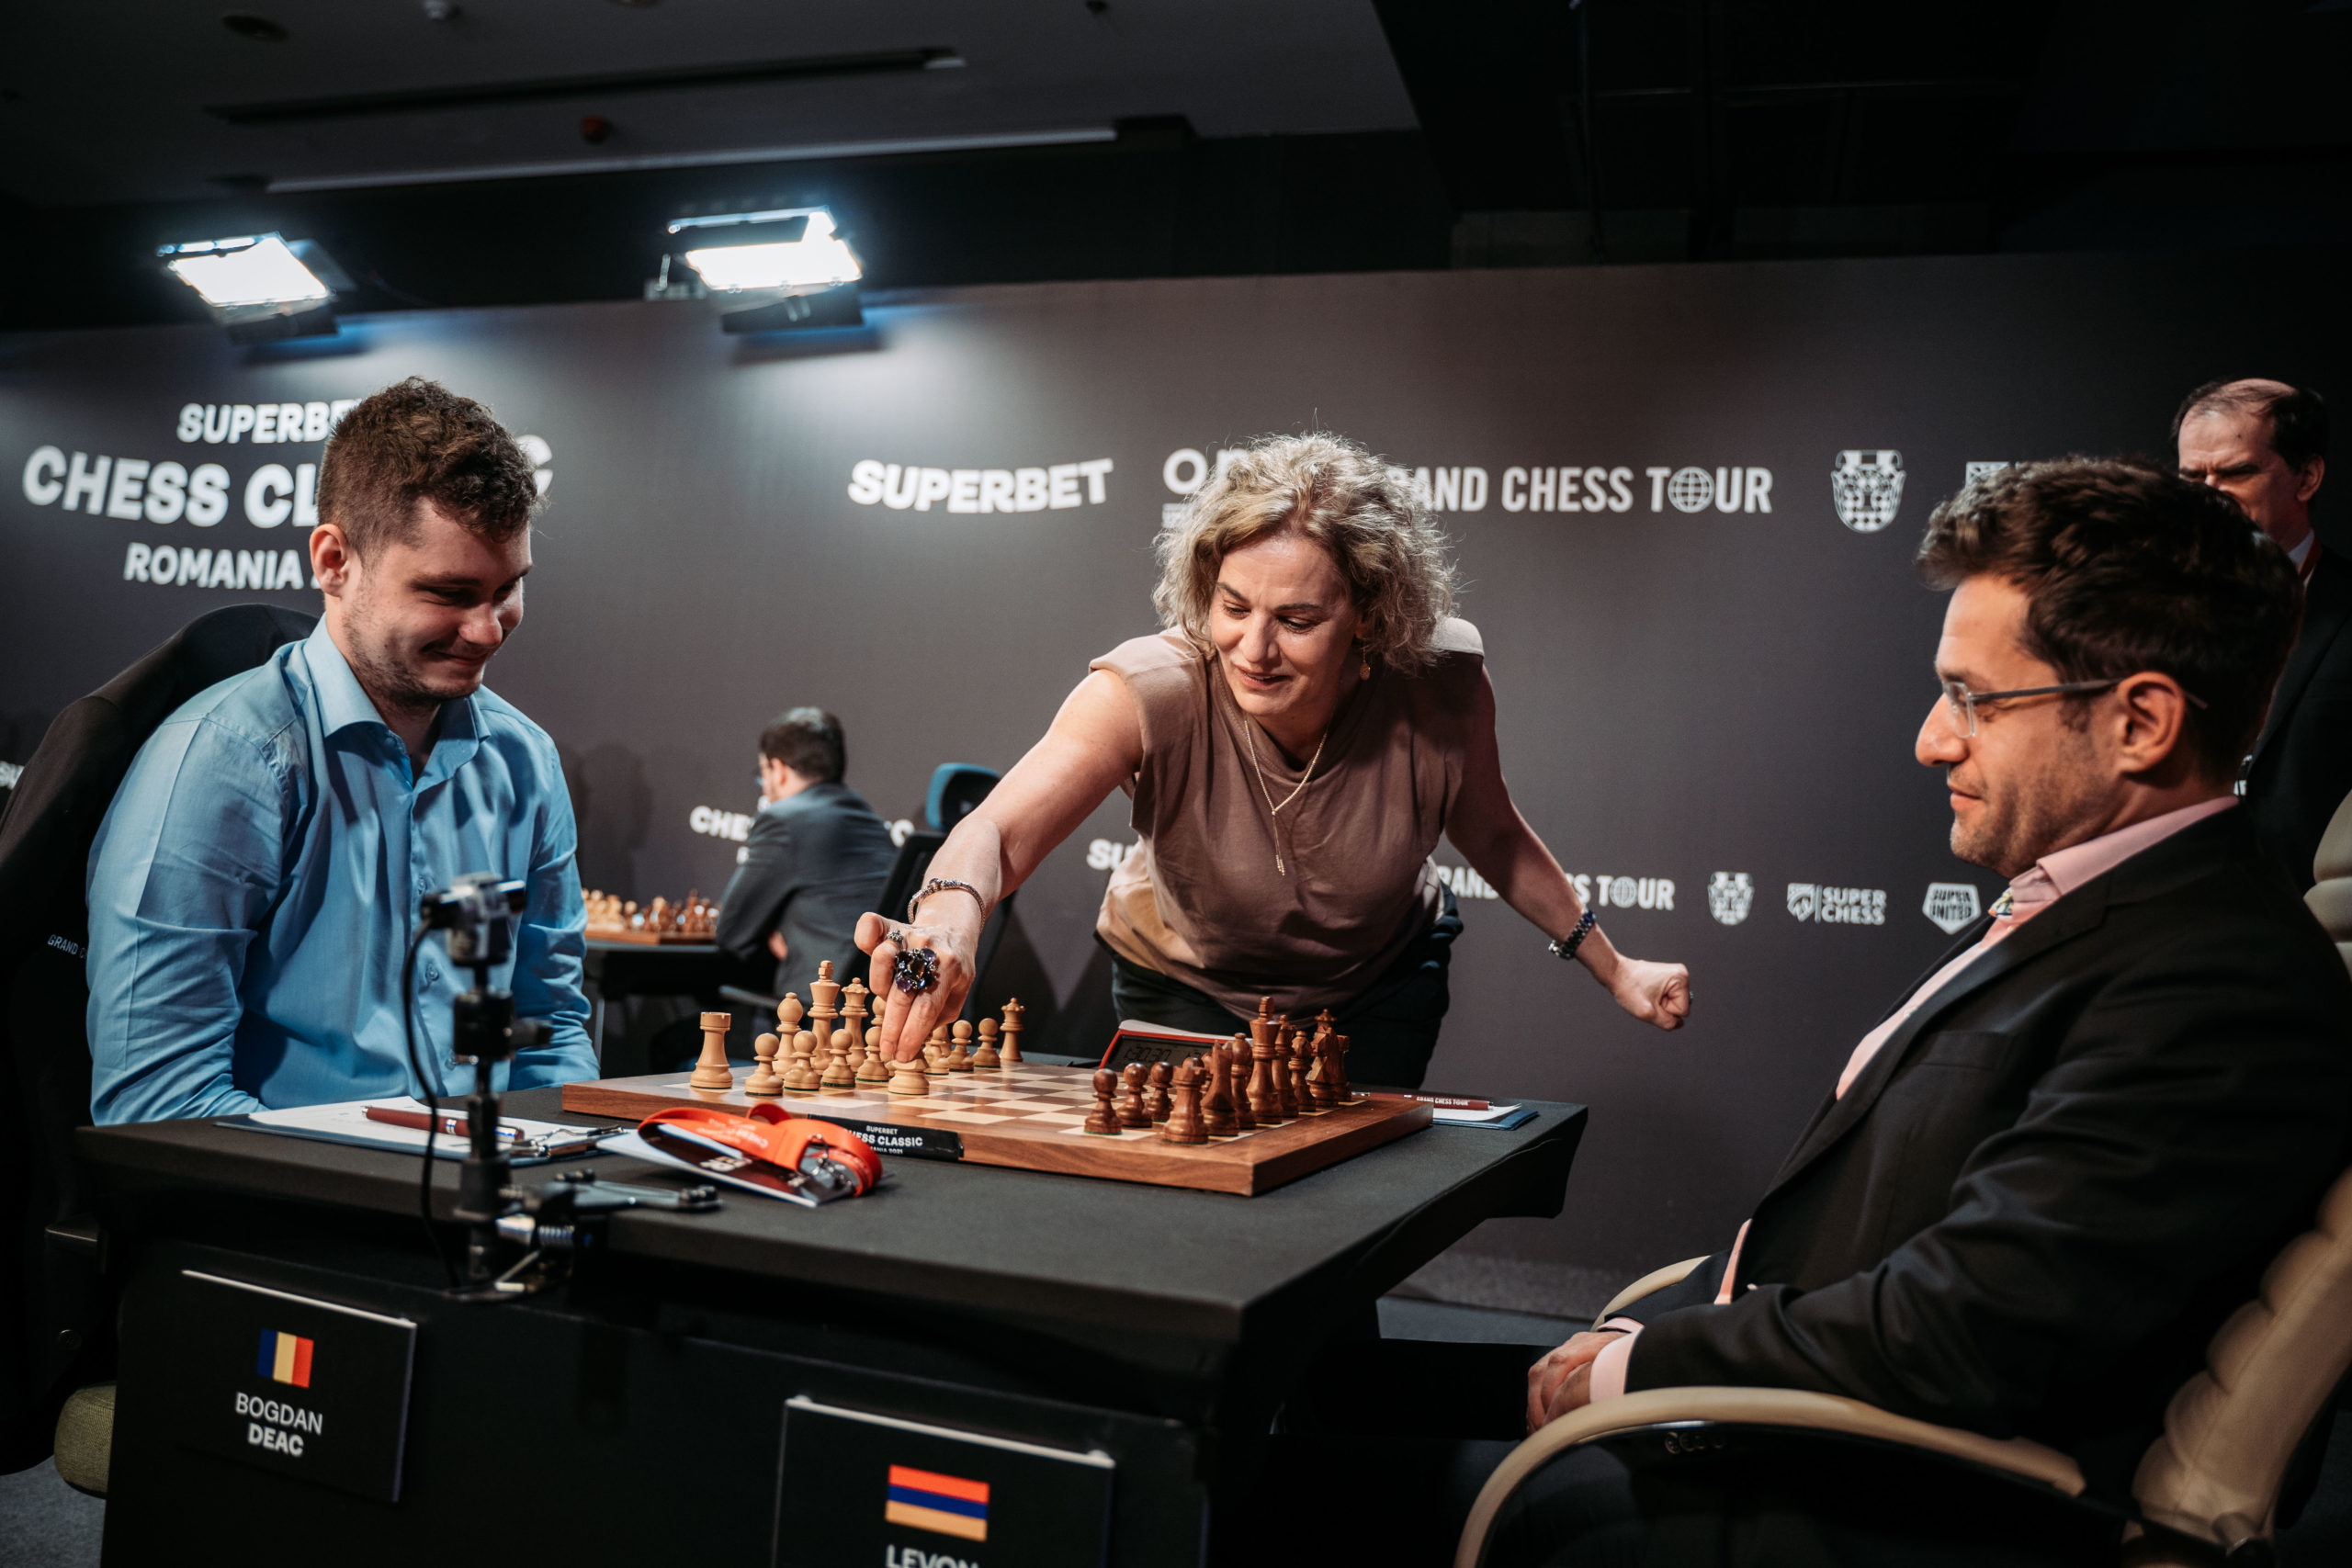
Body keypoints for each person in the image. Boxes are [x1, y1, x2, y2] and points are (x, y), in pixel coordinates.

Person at [1476, 458, 2348, 1564]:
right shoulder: (2090, 907)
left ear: (2140, 722)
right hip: (1792, 1420)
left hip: (1890, 1506)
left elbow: (1968, 1329)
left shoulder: (2218, 984)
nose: (1933, 739)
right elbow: (1867, 1234)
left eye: (1974, 698)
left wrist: (1632, 1368)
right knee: (1350, 1409)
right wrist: (1645, 1330)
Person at [854, 434, 1690, 1090]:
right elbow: (997, 830)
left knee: (1342, 1214)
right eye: (1233, 606)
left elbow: (1494, 833)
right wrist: (950, 919)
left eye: (1296, 620)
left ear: (1368, 615)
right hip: (1182, 983)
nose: (1253, 649)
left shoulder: (1440, 682)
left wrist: (1615, 969)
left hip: (1378, 990)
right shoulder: (1149, 688)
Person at [85, 378, 595, 1122]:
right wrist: (390, 1178)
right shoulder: (223, 764)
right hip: (289, 1191)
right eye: (449, 593)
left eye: (507, 589)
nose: (489, 629)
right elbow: (159, 1101)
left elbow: (549, 1025)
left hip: (478, 1178)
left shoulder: (527, 764)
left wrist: (545, 1156)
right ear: (334, 561)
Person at [2173, 378, 2346, 887]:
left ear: (2307, 477)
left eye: (2236, 473)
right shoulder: (2134, 614)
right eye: (2192, 477)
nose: (2209, 496)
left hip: (2311, 916)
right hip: (2174, 910)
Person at [715, 707, 897, 998]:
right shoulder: (870, 820)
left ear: (778, 770)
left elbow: (732, 931)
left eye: (762, 774)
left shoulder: (782, 821)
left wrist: (773, 929)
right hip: (879, 1002)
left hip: (815, 1009)